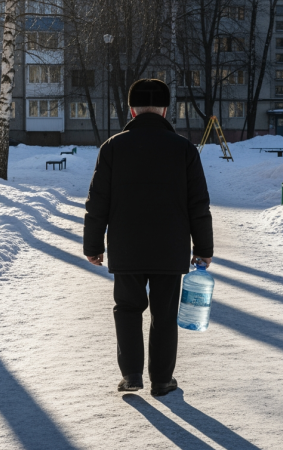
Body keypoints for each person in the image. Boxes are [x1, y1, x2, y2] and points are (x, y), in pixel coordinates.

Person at [83, 79, 214, 396]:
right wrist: (204, 248)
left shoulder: (113, 147)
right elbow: (198, 203)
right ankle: (161, 380)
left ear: (132, 109)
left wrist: (93, 245)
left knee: (127, 309)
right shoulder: (184, 149)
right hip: (170, 248)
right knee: (164, 314)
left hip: (127, 247)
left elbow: (97, 202)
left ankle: (131, 375)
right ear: (166, 110)